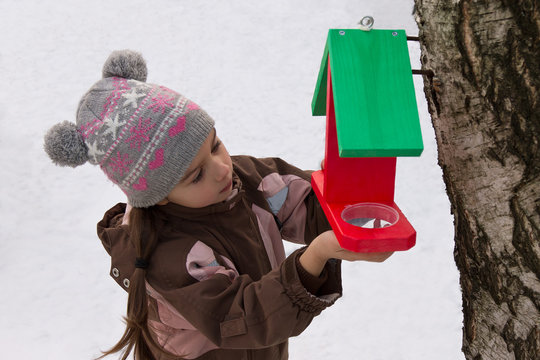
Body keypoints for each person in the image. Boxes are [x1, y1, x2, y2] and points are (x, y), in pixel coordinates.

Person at [44, 50, 392, 360]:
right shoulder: (170, 256)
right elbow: (243, 316)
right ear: (158, 196)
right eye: (196, 176)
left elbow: (303, 202)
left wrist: (347, 204)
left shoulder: (244, 179)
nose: (223, 168)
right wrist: (316, 256)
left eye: (215, 145)